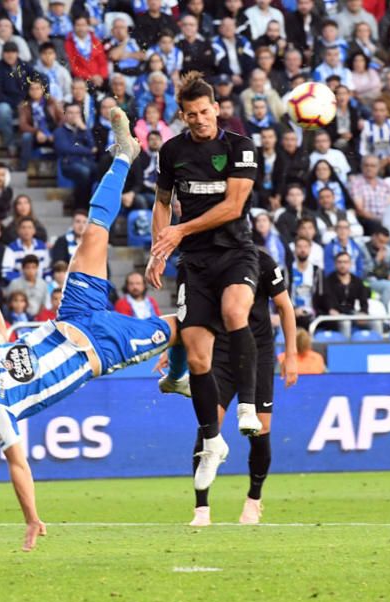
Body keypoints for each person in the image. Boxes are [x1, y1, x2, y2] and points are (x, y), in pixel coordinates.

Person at [0, 111, 183, 551]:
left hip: (73, 314)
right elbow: (17, 464)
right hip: (102, 349)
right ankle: (179, 372)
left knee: (92, 231)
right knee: (185, 326)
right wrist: (32, 518)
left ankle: (124, 155)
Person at [148, 73, 262, 441]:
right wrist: (158, 251)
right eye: (191, 114)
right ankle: (211, 439)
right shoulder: (172, 152)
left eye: (204, 111)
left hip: (234, 251)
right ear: (182, 116)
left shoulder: (240, 147)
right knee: (199, 359)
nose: (199, 119)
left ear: (216, 108)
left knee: (233, 312)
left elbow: (233, 207)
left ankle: (248, 405)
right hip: (195, 262)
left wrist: (179, 231)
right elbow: (162, 202)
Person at [163, 249, 298, 527]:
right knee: (209, 425)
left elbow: (284, 306)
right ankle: (201, 508)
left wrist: (292, 354)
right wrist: (175, 348)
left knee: (261, 428)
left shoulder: (259, 261)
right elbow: (187, 313)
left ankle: (253, 500)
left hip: (258, 354)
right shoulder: (195, 263)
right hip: (220, 353)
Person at [364, 228, 390, 307]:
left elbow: (388, 269)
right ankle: (384, 313)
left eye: (385, 242)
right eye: (380, 241)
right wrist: (376, 261)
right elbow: (364, 272)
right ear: (374, 237)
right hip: (367, 280)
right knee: (389, 286)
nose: (382, 245)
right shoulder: (363, 248)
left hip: (382, 279)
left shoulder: (388, 250)